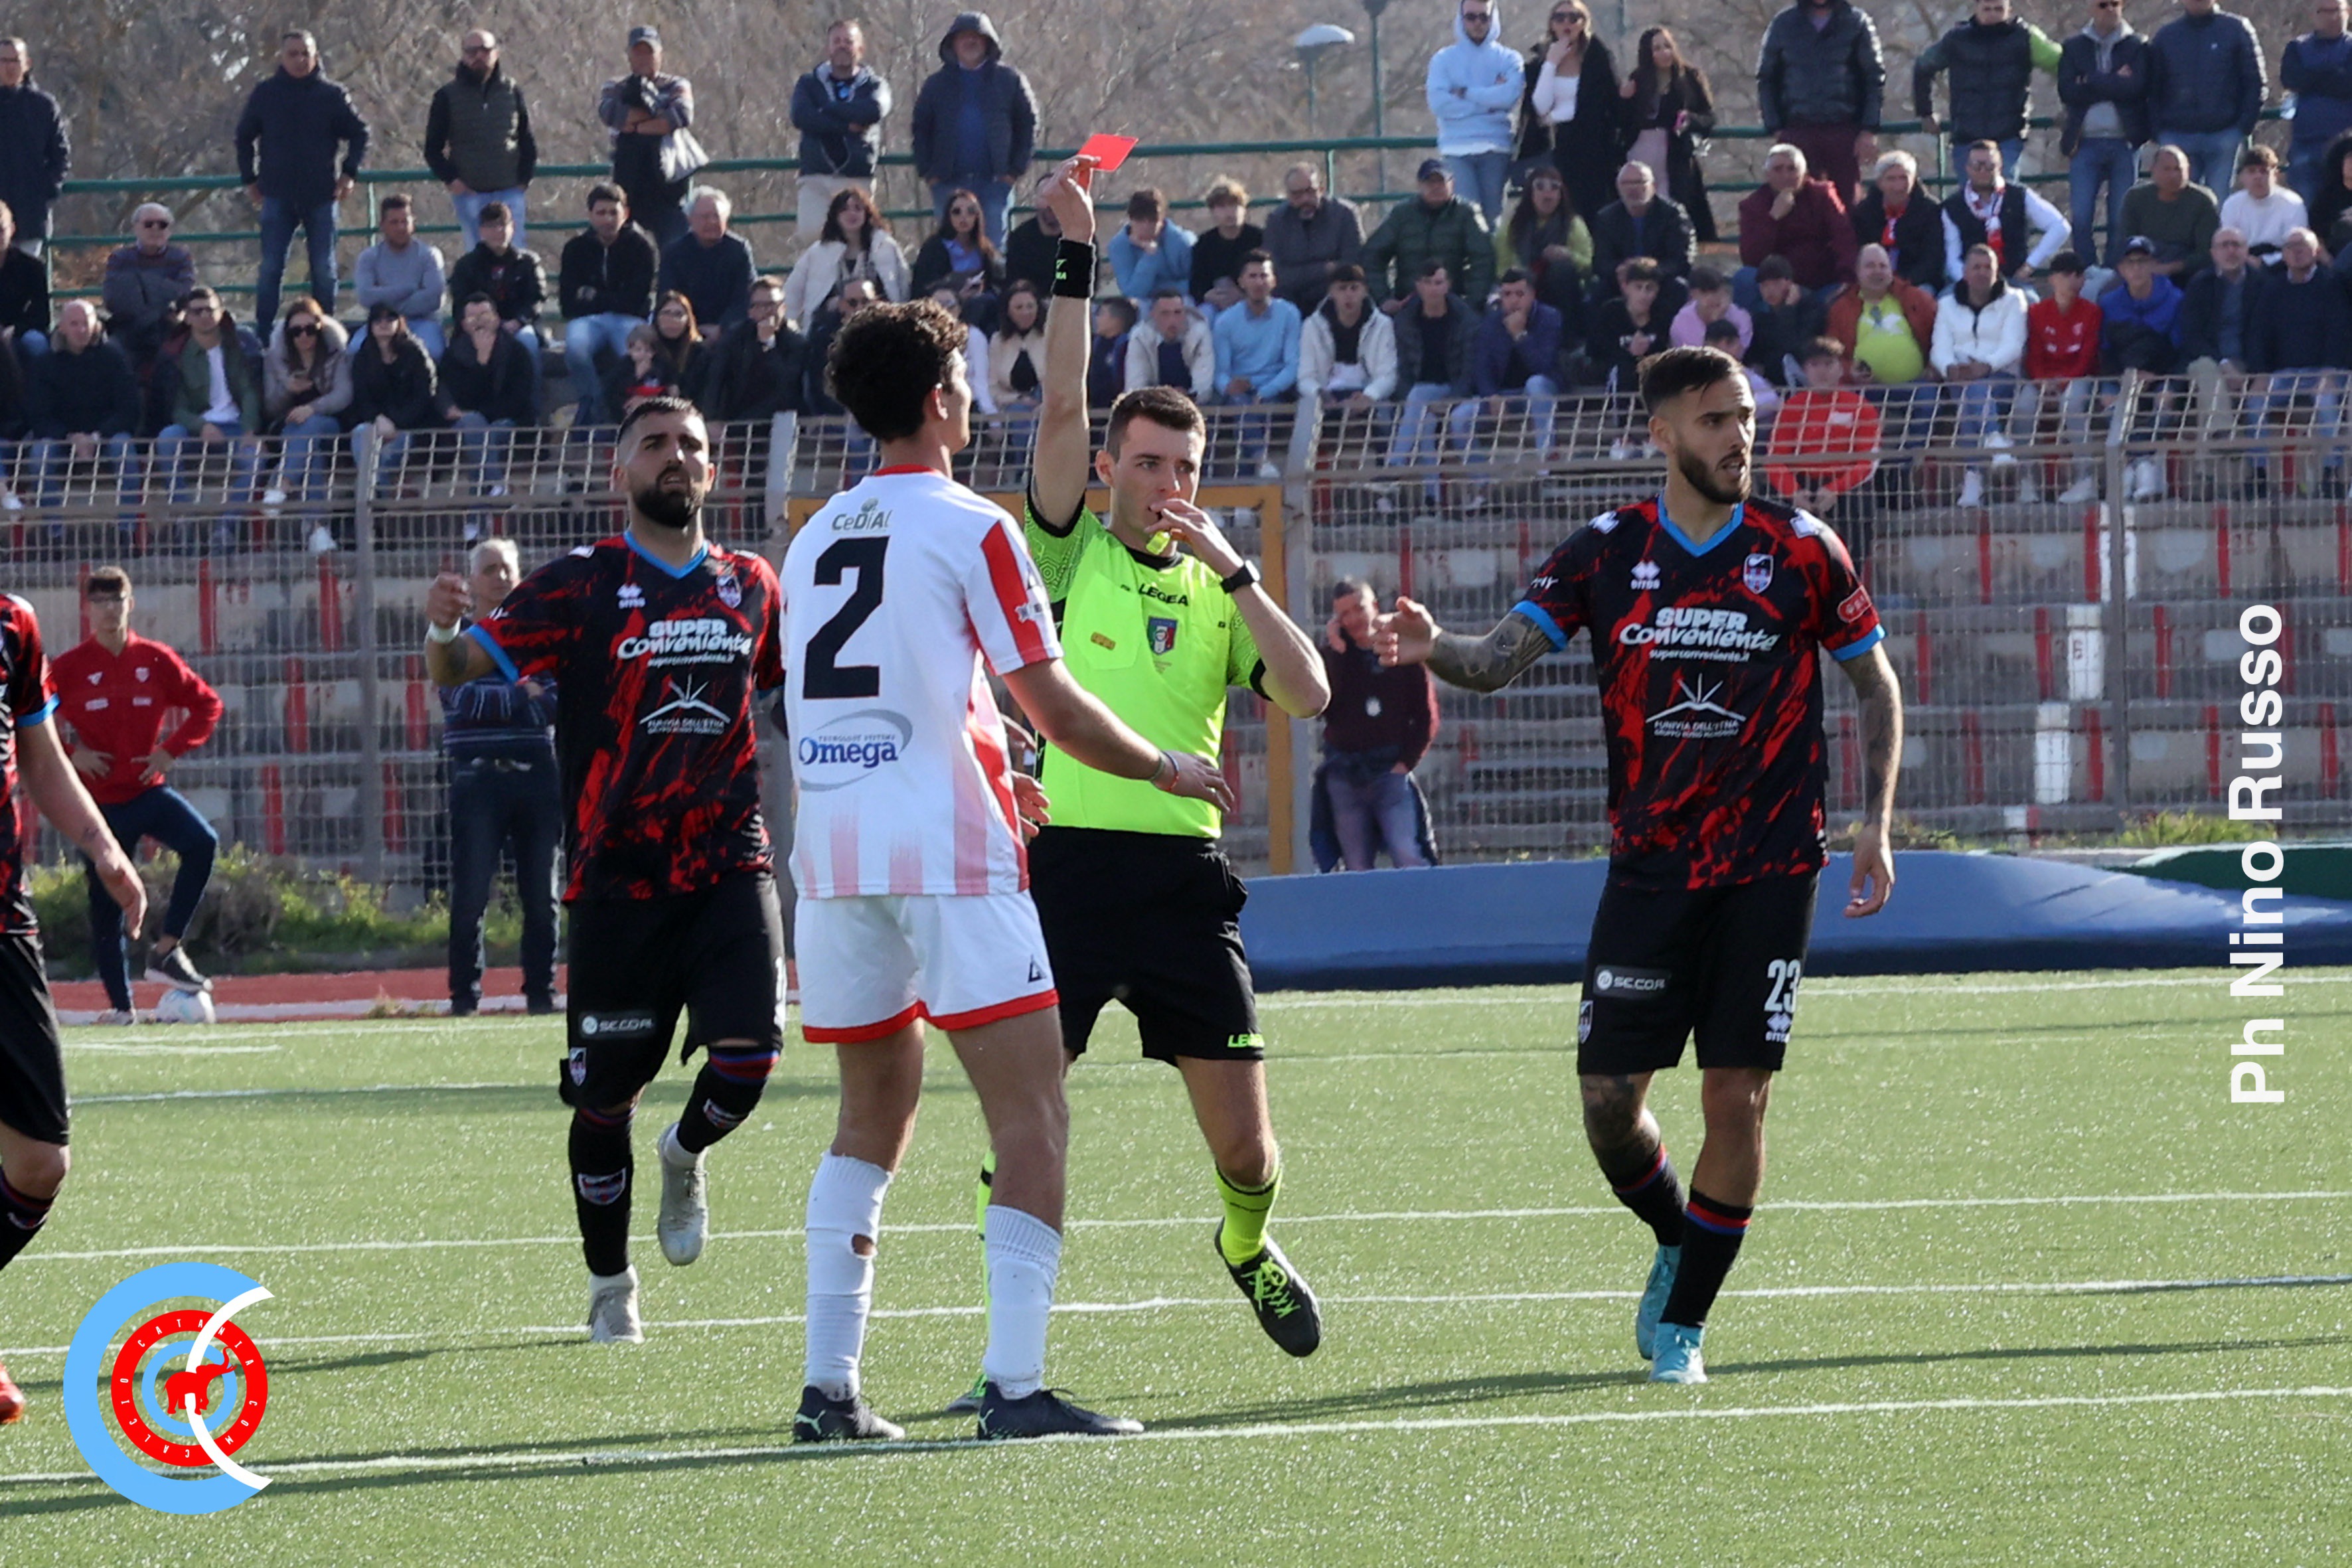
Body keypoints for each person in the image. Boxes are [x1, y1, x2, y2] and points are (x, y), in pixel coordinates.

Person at [1375, 343, 1902, 1387]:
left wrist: (1874, 824)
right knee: (1607, 1105)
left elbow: (1874, 684)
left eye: (1743, 416)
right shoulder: (1605, 550)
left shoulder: (1801, 548)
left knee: (1735, 1098)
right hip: (1649, 869)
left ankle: (1684, 1324)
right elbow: (1492, 663)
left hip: (1768, 867)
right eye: (1713, 420)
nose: (1737, 437)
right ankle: (1677, 1234)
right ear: (1661, 433)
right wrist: (1434, 647)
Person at [786, 283, 1235, 1441]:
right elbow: (1054, 701)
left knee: (867, 1118)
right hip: (947, 856)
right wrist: (1164, 767)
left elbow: (874, 696)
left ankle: (828, 1389)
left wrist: (991, 766)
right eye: (965, 379)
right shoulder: (972, 526)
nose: (976, 395)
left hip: (833, 859)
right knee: (1031, 1115)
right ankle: (1017, 1387)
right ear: (941, 400)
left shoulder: (815, 533)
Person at [944, 156, 1327, 1409]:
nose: (1168, 484)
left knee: (1249, 1150)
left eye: (1183, 467)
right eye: (1148, 463)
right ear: (1109, 470)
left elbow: (1310, 694)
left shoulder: (1217, 589)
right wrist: (1076, 256)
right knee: (1024, 1127)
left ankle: (1245, 1245)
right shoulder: (1067, 554)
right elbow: (1060, 403)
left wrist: (1240, 574)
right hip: (1062, 875)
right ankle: (1004, 1358)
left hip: (1181, 885)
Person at [424, 395, 787, 1345]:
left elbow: (797, 697)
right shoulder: (581, 582)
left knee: (749, 1059)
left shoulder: (752, 583)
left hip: (727, 861)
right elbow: (458, 670)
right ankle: (609, 1283)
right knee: (603, 1097)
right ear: (619, 471)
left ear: (713, 470)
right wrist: (441, 632)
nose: (676, 457)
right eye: (655, 444)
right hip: (616, 882)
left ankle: (686, 1149)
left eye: (691, 446)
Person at [0, 591, 146, 1425]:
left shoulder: (13, 622)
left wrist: (103, 847)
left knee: (40, 1162)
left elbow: (42, 755)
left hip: (1, 921)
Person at [52, 564, 222, 1020]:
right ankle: (122, 1007)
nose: (109, 610)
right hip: (98, 807)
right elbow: (27, 716)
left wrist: (170, 750)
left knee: (202, 843)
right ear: (87, 610)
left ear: (131, 604)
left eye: (117, 601)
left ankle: (167, 948)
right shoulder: (68, 668)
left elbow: (207, 704)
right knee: (106, 906)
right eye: (100, 602)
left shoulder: (155, 660)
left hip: (147, 793)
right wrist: (71, 753)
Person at [435, 539, 558, 1018]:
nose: (500, 578)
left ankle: (542, 996)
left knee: (542, 897)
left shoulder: (542, 639)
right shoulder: (455, 643)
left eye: (506, 569)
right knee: (470, 896)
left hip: (536, 777)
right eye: (489, 570)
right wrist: (522, 695)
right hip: (478, 778)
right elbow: (460, 702)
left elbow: (556, 702)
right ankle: (464, 998)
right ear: (471, 582)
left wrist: (509, 699)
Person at [235, 30, 370, 331]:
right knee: (271, 270)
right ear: (281, 58)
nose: (299, 60)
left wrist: (349, 173)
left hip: (321, 194)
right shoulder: (266, 93)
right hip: (276, 194)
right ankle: (264, 336)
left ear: (316, 57)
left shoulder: (331, 95)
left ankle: (327, 333)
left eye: (305, 54)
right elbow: (243, 137)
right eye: (293, 54)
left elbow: (361, 133)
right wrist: (250, 179)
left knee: (324, 270)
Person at [1316, 581, 1437, 872]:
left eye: (1358, 609)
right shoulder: (1331, 657)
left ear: (1374, 607)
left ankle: (1426, 902)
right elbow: (1323, 708)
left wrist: (1405, 763)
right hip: (1345, 774)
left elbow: (1426, 717)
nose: (1353, 619)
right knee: (1356, 866)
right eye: (1344, 614)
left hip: (1389, 772)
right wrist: (1336, 654)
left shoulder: (1401, 653)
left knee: (1407, 854)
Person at [909, 11, 1038, 247]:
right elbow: (920, 128)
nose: (970, 42)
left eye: (977, 37)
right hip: (947, 183)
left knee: (994, 252)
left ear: (988, 43)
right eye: (964, 37)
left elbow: (1028, 124)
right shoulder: (936, 85)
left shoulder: (1010, 80)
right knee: (951, 250)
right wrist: (929, 174)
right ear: (953, 44)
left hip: (995, 183)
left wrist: (1014, 171)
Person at [1913, 0, 2061, 182]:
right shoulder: (1956, 39)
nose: (1992, 14)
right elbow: (1923, 67)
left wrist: (2069, 107)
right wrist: (1925, 112)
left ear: (2009, 10)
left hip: (2008, 136)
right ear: (1976, 9)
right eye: (1987, 9)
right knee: (1970, 195)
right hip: (1967, 136)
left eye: (1999, 9)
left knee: (2004, 193)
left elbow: (2062, 64)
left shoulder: (2025, 37)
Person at [2247, 226, 2348, 492]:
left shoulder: (2332, 284)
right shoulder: (2273, 288)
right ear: (2283, 254)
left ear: (2316, 251)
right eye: (2290, 247)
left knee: (2326, 401)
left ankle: (2331, 473)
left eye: (2303, 246)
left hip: (2326, 371)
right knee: (2255, 402)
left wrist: (2329, 372)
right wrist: (2260, 373)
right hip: (2285, 374)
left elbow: (2339, 331)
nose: (2297, 252)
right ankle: (2258, 475)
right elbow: (2259, 333)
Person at [1754, 0, 1887, 203]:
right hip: (1797, 129)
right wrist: (1776, 128)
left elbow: (1874, 78)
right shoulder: (1784, 24)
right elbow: (1767, 78)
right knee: (1799, 204)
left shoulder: (1856, 22)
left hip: (1843, 130)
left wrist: (1869, 129)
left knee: (1845, 203)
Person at [148, 287, 265, 509]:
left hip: (236, 427)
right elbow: (176, 407)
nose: (204, 316)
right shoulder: (176, 353)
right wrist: (201, 426)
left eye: (210, 310)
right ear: (187, 317)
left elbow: (249, 391)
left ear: (221, 312)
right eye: (197, 311)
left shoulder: (240, 345)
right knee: (167, 439)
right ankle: (183, 514)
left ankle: (227, 522)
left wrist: (250, 429)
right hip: (195, 429)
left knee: (257, 460)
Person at [424, 29, 538, 250]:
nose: (478, 56)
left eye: (485, 50)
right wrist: (452, 181)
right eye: (472, 51)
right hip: (470, 194)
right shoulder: (447, 96)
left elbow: (526, 139)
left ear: (496, 53)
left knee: (515, 255)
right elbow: (432, 149)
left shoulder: (512, 91)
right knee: (478, 257)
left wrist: (524, 180)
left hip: (510, 191)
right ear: (463, 55)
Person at [1933, 243, 2029, 507]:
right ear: (1965, 273)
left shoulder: (2014, 300)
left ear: (1997, 272)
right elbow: (1939, 347)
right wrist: (1950, 368)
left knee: (1972, 393)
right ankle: (1995, 441)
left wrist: (1986, 366)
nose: (1982, 272)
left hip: (2001, 375)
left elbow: (2014, 345)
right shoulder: (1946, 305)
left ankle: (1973, 477)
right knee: (1971, 390)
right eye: (1976, 267)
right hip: (1960, 375)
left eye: (1988, 267)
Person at [2060, 0, 2152, 270]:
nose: (2110, 9)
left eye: (2115, 4)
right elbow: (2068, 91)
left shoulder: (2138, 45)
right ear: (2091, 8)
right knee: (2081, 216)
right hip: (2084, 143)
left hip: (2125, 141)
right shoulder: (2074, 47)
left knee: (2120, 219)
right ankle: (2086, 272)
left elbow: (2136, 88)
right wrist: (2115, 80)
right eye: (2103, 4)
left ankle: (2114, 273)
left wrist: (2090, 80)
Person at [559, 183, 660, 425]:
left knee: (635, 354)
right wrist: (612, 298)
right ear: (590, 215)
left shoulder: (641, 247)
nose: (607, 219)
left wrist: (592, 296)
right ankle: (595, 405)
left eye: (614, 212)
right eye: (601, 213)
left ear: (626, 213)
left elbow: (635, 301)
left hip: (629, 320)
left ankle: (632, 411)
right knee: (576, 348)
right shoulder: (575, 249)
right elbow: (568, 304)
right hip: (587, 321)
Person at [1518, 1, 1622, 228]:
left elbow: (1611, 104)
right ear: (1551, 24)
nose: (1567, 23)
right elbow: (1540, 107)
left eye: (1574, 18)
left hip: (1592, 147)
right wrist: (1551, 64)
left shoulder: (1598, 58)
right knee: (1557, 212)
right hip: (1555, 145)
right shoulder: (1539, 62)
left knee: (1592, 211)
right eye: (1560, 18)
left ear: (1584, 23)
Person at [2013, 250, 2106, 502]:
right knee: (2023, 407)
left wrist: (2063, 383)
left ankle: (2085, 478)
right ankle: (2026, 480)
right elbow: (2034, 355)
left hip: (2079, 378)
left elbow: (2087, 357)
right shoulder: (2037, 312)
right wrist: (2043, 382)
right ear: (2052, 279)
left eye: (2077, 275)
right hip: (2043, 378)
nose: (2071, 280)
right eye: (2065, 274)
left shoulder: (2092, 312)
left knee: (2073, 403)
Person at [27, 301, 140, 509]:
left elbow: (129, 409)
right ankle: (53, 524)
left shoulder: (114, 358)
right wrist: (70, 437)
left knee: (124, 448)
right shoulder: (44, 363)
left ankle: (129, 522)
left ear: (97, 325)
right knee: (39, 456)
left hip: (107, 436)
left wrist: (96, 437)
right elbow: (38, 415)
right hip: (61, 438)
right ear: (61, 327)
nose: (81, 330)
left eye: (86, 323)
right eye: (74, 324)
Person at [2145, 0, 2266, 190]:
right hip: (2177, 135)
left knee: (2217, 201)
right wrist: (2159, 132)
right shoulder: (2166, 36)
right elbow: (2152, 87)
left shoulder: (2236, 29)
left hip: (2224, 134)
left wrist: (2242, 128)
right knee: (2179, 202)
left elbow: (2255, 82)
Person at [599, 26, 700, 250]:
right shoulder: (614, 86)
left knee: (675, 247)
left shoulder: (677, 85)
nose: (644, 58)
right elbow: (610, 113)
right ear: (629, 55)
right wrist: (659, 117)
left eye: (649, 52)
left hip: (668, 183)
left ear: (660, 55)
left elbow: (681, 115)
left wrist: (635, 125)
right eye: (638, 52)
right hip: (628, 182)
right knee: (625, 249)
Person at [791, 19, 892, 244]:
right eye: (836, 41)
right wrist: (846, 126)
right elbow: (801, 116)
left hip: (857, 178)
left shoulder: (875, 85)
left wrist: (826, 109)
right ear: (828, 48)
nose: (842, 46)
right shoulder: (808, 84)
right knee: (812, 237)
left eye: (849, 41)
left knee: (856, 241)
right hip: (816, 176)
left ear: (861, 49)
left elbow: (873, 110)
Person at [2100, 235, 2186, 497]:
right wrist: (2125, 376)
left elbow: (2180, 350)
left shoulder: (2176, 299)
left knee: (2164, 400)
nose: (2136, 268)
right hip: (2122, 374)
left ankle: (2141, 465)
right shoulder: (2108, 302)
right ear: (2120, 269)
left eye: (2143, 261)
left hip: (2162, 373)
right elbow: (2105, 351)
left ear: (2154, 265)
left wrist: (2154, 376)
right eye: (2130, 263)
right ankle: (2136, 467)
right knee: (2108, 400)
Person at [1429, 0, 1524, 226]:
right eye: (1471, 17)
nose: (1478, 23)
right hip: (1456, 149)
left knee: (1492, 220)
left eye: (1484, 17)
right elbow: (1440, 104)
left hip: (1496, 147)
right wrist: (1489, 101)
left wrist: (1465, 93)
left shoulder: (1509, 58)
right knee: (1468, 220)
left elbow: (1508, 97)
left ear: (1493, 18)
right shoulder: (1443, 60)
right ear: (1461, 19)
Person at [1759, 337, 1883, 510]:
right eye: (1815, 364)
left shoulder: (1861, 407)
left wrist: (1836, 489)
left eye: (1828, 364)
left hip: (1846, 487)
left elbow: (1868, 460)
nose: (1822, 371)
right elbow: (1775, 459)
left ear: (1841, 369)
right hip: (1801, 484)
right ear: (1805, 370)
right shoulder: (1792, 408)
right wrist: (1793, 492)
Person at [1621, 27, 1718, 244]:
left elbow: (1710, 118)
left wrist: (1690, 119)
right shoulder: (1638, 79)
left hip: (1676, 154)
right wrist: (1624, 99)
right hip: (1642, 151)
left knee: (1675, 206)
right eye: (1657, 48)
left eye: (1667, 46)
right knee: (1643, 202)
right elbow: (1625, 121)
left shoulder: (1690, 77)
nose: (1664, 53)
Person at [1211, 251, 1301, 477]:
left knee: (1249, 414)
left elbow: (1292, 365)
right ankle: (1261, 463)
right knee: (1242, 406)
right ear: (1241, 282)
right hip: (1239, 393)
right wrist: (1228, 386)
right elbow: (1220, 372)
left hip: (1275, 390)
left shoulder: (1289, 314)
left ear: (1274, 280)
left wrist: (1265, 391)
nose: (1259, 282)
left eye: (1264, 276)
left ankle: (1250, 481)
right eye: (1252, 276)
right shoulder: (1225, 322)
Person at [1362, 160, 1495, 312]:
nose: (1436, 187)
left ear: (1452, 184)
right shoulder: (1402, 214)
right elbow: (1372, 255)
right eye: (1430, 182)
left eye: (1441, 182)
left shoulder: (1467, 213)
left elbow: (1484, 259)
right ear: (1419, 185)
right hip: (1407, 302)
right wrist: (1383, 299)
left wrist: (1472, 303)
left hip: (1455, 302)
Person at [2179, 225, 2271, 442]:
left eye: (2236, 245)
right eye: (2224, 246)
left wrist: (2260, 372)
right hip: (2208, 358)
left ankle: (2211, 457)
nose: (2231, 251)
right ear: (2213, 253)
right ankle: (2223, 434)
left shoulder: (2263, 284)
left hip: (2248, 361)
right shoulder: (2199, 284)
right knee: (2206, 369)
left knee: (2209, 398)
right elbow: (2192, 335)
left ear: (2246, 251)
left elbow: (2267, 334)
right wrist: (2223, 364)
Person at [440, 293, 538, 495]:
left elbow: (518, 399)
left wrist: (483, 418)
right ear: (464, 324)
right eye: (472, 317)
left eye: (485, 315)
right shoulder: (453, 355)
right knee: (473, 423)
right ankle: (496, 485)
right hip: (467, 423)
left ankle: (480, 504)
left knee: (484, 435)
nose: (479, 322)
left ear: (497, 318)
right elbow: (460, 397)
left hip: (507, 420)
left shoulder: (516, 351)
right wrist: (481, 364)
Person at [1941, 138, 2073, 286]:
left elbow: (2061, 227)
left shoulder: (2019, 195)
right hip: (1970, 283)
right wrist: (1970, 283)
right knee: (1946, 300)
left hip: (2014, 280)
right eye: (1977, 166)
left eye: (1990, 166)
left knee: (2028, 299)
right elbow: (1953, 259)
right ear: (1967, 168)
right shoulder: (1952, 206)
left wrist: (2030, 265)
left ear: (2000, 167)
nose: (1983, 171)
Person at [259, 297, 351, 508]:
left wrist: (311, 408)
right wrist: (288, 390)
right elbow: (271, 407)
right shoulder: (275, 359)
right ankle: (316, 524)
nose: (304, 336)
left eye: (310, 329)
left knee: (310, 424)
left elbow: (344, 394)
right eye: (296, 331)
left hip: (329, 424)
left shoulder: (336, 354)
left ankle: (283, 483)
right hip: (288, 428)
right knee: (310, 452)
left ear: (320, 328)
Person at [1389, 260, 1482, 467]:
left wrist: (1451, 400)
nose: (1433, 289)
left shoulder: (1467, 321)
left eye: (1438, 283)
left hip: (1454, 389)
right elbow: (1402, 370)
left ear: (1448, 285)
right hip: (1418, 397)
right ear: (1418, 286)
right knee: (1425, 422)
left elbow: (1470, 372)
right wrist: (1410, 401)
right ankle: (1433, 489)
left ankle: (1395, 465)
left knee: (1419, 395)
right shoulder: (1404, 322)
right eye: (1427, 283)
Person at [1826, 243, 1940, 408]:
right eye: (1870, 266)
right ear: (1857, 272)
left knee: (1928, 397)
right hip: (1866, 389)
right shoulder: (1841, 308)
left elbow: (1940, 337)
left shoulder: (1916, 298)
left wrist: (1933, 365)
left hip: (1916, 385)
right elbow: (1832, 355)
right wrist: (1850, 371)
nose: (1877, 271)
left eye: (1883, 266)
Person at [346, 304, 447, 487]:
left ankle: (370, 492)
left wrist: (396, 422)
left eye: (390, 318)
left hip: (411, 427)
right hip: (375, 424)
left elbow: (424, 396)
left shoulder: (416, 353)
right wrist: (378, 419)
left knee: (386, 455)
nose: (384, 323)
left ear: (400, 322)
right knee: (361, 433)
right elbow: (362, 398)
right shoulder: (363, 356)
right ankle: (375, 491)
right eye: (378, 319)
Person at [1738, 143, 1858, 292]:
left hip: (1822, 280)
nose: (1785, 176)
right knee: (1744, 277)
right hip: (1776, 285)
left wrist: (1847, 280)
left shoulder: (1822, 196)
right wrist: (1773, 219)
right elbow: (1751, 258)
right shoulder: (1753, 205)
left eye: (1792, 169)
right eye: (1778, 169)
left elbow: (1844, 238)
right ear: (1767, 175)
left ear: (1805, 173)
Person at [785, 189, 909, 331]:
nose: (852, 214)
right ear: (835, 216)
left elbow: (903, 286)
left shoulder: (886, 246)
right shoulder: (818, 252)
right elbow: (792, 293)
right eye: (844, 209)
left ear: (867, 213)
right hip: (831, 328)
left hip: (880, 324)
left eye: (858, 208)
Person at [1474, 267, 1564, 453]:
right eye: (1507, 294)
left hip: (1541, 391)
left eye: (1520, 294)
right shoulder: (1491, 323)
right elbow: (1482, 367)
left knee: (1535, 384)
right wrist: (1492, 396)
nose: (1514, 300)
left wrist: (1520, 335)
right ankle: (1478, 471)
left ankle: (1545, 459)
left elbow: (1543, 365)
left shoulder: (1550, 317)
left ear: (1532, 295)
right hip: (1504, 395)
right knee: (1460, 417)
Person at [446, 201, 546, 362]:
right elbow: (460, 304)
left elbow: (537, 299)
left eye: (503, 225)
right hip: (479, 326)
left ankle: (532, 379)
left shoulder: (528, 262)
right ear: (481, 231)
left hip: (518, 324)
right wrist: (483, 323)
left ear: (513, 227)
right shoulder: (466, 265)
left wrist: (519, 321)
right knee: (466, 348)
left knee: (527, 342)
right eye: (491, 226)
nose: (498, 231)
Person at [101, 204, 196, 369]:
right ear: (136, 227)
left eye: (162, 224)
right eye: (149, 224)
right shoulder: (119, 258)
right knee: (111, 357)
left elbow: (184, 295)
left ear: (169, 230)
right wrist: (163, 291)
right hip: (127, 328)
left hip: (168, 328)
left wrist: (140, 283)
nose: (155, 229)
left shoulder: (181, 257)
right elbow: (113, 300)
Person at [354, 195, 449, 358]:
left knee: (433, 351)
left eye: (405, 221)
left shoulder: (429, 255)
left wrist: (389, 306)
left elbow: (434, 298)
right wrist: (409, 289)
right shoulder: (369, 257)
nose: (400, 228)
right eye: (394, 222)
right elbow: (365, 296)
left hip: (423, 322)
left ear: (413, 222)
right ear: (382, 225)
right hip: (380, 324)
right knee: (354, 351)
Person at [1497, 165, 1595, 323]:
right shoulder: (1512, 226)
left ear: (1561, 194)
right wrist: (1520, 274)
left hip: (1564, 293)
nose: (1547, 194)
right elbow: (1502, 268)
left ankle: (1567, 331)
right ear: (1530, 192)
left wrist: (1569, 256)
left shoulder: (1574, 224)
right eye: (1540, 187)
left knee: (1561, 270)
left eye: (1554, 188)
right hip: (1522, 289)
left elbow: (1590, 266)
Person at [702, 275, 806, 423]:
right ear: (750, 311)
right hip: (735, 418)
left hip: (778, 419)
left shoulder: (796, 342)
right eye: (757, 306)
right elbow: (716, 380)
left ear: (783, 308)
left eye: (770, 305)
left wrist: (767, 343)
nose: (764, 311)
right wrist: (712, 419)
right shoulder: (734, 338)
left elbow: (786, 386)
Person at [1264, 163, 1365, 313]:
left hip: (1335, 299)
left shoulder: (1345, 214)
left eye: (1310, 191)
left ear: (1322, 189)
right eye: (1297, 194)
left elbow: (1351, 264)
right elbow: (1276, 274)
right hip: (1291, 299)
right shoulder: (1276, 220)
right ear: (1288, 196)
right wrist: (1325, 269)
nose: (1305, 199)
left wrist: (1301, 274)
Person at [659, 187, 758, 340]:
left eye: (717, 216)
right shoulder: (674, 252)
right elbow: (668, 296)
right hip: (684, 328)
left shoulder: (739, 250)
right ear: (690, 219)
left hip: (729, 329)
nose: (712, 222)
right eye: (705, 217)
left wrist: (722, 328)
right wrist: (692, 328)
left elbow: (744, 298)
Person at [0, 37, 67, 257]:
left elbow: (60, 155)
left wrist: (46, 190)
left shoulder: (43, 106)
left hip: (30, 214)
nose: (9, 67)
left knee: (26, 273)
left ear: (27, 64)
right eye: (3, 61)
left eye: (15, 61)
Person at [1589, 160, 1695, 297]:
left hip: (1661, 278)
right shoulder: (1606, 217)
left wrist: (1649, 270)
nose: (1633, 188)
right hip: (1622, 280)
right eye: (1626, 183)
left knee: (1679, 288)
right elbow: (1601, 262)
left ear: (1654, 186)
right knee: (1598, 290)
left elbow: (1682, 259)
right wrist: (1626, 270)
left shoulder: (1673, 214)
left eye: (1640, 182)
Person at [1299, 265, 1399, 408]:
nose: (1349, 295)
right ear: (1331, 292)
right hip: (1324, 398)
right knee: (1305, 412)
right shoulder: (1312, 326)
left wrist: (1369, 396)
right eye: (1342, 288)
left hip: (1369, 397)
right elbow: (1305, 377)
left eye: (1354, 288)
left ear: (1365, 291)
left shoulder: (1382, 325)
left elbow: (1388, 376)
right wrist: (1319, 394)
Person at [2119, 143, 2221, 277]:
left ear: (2188, 171)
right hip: (2144, 265)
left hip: (2188, 270)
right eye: (2166, 169)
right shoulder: (2135, 197)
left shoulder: (2203, 200)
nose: (2173, 175)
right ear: (2153, 170)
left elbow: (2206, 253)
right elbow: (2127, 241)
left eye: (2178, 169)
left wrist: (2170, 268)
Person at [2283, 1, 2352, 198]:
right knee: (2307, 205)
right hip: (2306, 142)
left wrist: (2313, 76)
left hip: (2347, 147)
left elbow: (2347, 84)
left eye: (2337, 11)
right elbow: (2292, 79)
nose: (2332, 17)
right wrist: (2334, 73)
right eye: (2325, 12)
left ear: (2348, 12)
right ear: (2314, 14)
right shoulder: (2297, 47)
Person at [911, 189, 1006, 321]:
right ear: (948, 216)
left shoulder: (985, 249)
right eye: (957, 212)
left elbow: (998, 284)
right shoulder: (934, 247)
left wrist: (982, 289)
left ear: (977, 216)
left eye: (971, 211)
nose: (964, 217)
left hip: (981, 310)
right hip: (944, 312)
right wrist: (957, 296)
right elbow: (922, 289)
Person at [1582, 254, 1668, 392]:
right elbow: (1596, 353)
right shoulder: (1610, 313)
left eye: (1649, 288)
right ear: (1625, 287)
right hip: (1617, 379)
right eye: (1638, 287)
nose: (1644, 295)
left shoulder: (1663, 315)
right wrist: (1630, 354)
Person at [1748, 255, 1831, 386]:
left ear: (1790, 283)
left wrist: (1788, 310)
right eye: (1764, 285)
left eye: (1776, 283)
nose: (1770, 290)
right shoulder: (1761, 317)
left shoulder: (1812, 310)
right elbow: (1756, 355)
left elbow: (1795, 348)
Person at [1190, 179, 1265, 321]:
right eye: (1222, 207)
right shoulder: (1205, 243)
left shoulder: (1259, 239)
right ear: (1212, 211)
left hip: (1251, 300)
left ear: (1244, 208)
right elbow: (1196, 282)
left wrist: (1245, 294)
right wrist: (1207, 295)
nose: (1229, 212)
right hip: (1215, 304)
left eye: (1234, 205)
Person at [2219, 145, 2308, 262]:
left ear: (2275, 175)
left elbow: (2297, 246)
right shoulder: (2232, 204)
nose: (2258, 177)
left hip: (2283, 262)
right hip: (2243, 261)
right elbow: (2229, 244)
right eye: (2251, 171)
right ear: (2241, 177)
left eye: (2264, 171)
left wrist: (2266, 262)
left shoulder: (2293, 202)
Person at [1108, 189, 1195, 304]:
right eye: (1140, 219)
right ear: (1130, 219)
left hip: (1181, 300)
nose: (1146, 226)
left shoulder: (1182, 241)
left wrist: (1158, 292)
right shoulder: (1118, 246)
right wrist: (1150, 256)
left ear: (1162, 219)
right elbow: (1132, 293)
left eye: (1153, 220)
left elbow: (1195, 283)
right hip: (1143, 303)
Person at [1125, 289, 1215, 400]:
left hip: (1192, 402)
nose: (1172, 320)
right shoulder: (1140, 336)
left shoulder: (1199, 332)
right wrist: (1161, 397)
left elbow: (1204, 386)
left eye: (1178, 313)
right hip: (1153, 402)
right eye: (1165, 314)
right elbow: (1135, 386)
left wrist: (1188, 396)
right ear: (1153, 315)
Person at [986, 277, 1048, 416]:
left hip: (1048, 404)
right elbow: (993, 387)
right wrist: (1018, 399)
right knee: (1019, 411)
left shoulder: (1051, 337)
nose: (1026, 312)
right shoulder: (998, 341)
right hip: (1013, 406)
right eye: (1019, 308)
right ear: (1008, 311)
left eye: (1030, 306)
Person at [647, 290, 713, 407]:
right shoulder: (645, 350)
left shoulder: (701, 354)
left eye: (678, 314)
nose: (672, 319)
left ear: (688, 320)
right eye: (666, 313)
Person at [0, 202, 46, 356]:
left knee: (37, 343)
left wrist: (16, 329)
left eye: (1, 230)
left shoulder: (31, 267)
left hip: (18, 332)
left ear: (12, 229)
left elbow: (42, 314)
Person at [999, 183, 1062, 296]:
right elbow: (1015, 284)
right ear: (1035, 200)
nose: (1051, 203)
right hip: (1032, 303)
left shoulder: (1081, 237)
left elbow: (1089, 282)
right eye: (1045, 197)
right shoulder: (1020, 238)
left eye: (1057, 196)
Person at [1671, 265, 1752, 353]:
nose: (1712, 298)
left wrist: (1719, 321)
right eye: (1705, 293)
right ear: (1693, 294)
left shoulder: (1741, 318)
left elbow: (1739, 353)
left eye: (1716, 291)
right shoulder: (1682, 323)